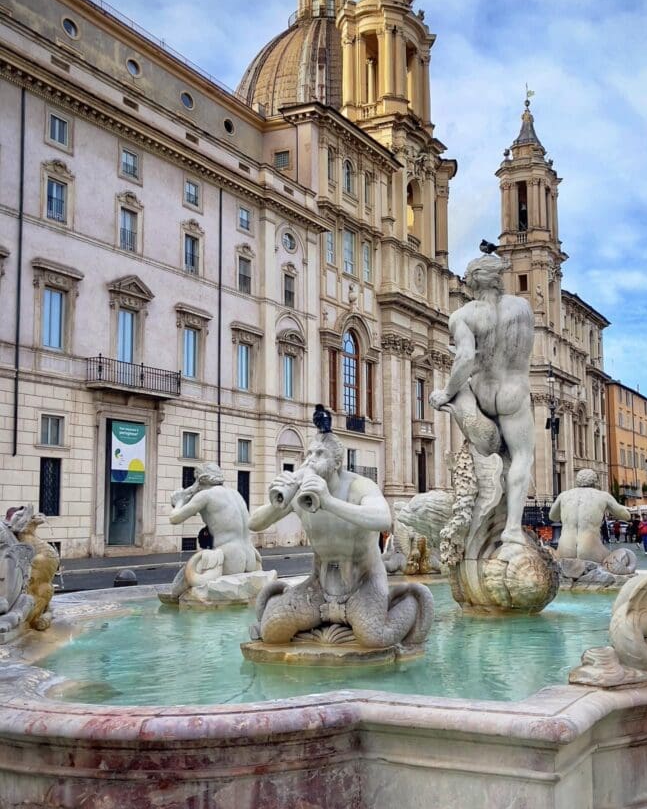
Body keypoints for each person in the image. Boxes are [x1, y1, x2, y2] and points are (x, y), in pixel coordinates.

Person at [248, 430, 432, 648]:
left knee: (375, 637)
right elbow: (254, 524)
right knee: (272, 631)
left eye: (319, 454)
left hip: (364, 581)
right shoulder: (300, 492)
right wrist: (276, 501)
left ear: (337, 463)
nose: (311, 459)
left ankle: (409, 601)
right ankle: (310, 614)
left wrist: (327, 501)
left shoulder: (359, 486)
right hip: (319, 586)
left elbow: (383, 519)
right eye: (309, 453)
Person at [429, 252, 534, 548]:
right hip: (514, 390)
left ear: (472, 283)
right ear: (498, 278)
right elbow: (522, 352)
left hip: (482, 392)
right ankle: (512, 529)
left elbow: (463, 359)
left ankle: (483, 510)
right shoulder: (522, 308)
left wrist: (447, 393)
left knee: (464, 405)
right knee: (521, 458)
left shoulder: (463, 315)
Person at [167, 463, 259, 599]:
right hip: (250, 556)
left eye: (195, 478)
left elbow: (174, 518)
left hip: (229, 556)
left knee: (176, 588)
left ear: (200, 480)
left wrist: (179, 501)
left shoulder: (206, 495)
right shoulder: (235, 493)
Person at [549, 469, 631, 563]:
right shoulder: (603, 496)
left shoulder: (564, 495)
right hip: (590, 550)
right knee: (625, 556)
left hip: (565, 550)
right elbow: (626, 516)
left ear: (577, 481)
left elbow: (553, 517)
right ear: (595, 481)